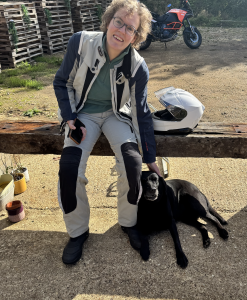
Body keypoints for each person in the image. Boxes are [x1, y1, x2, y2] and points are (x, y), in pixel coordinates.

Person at [53, 0, 161, 265]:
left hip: (116, 115)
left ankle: (129, 223)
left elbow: (140, 112)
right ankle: (78, 232)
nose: (122, 30)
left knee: (132, 164)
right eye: (119, 22)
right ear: (109, 20)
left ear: (136, 36)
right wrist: (69, 118)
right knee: (69, 168)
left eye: (130, 28)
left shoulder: (137, 67)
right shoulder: (80, 42)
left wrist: (150, 157)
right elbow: (61, 81)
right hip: (82, 115)